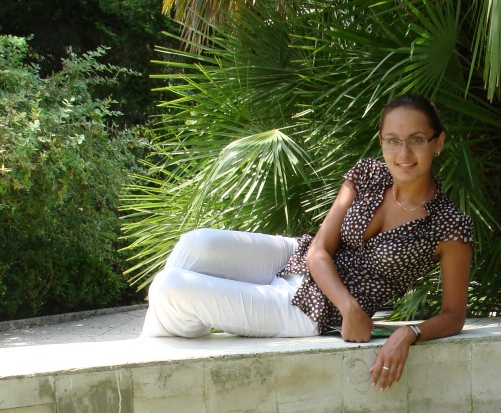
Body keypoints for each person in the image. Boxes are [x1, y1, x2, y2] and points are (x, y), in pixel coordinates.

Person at [141, 93, 473, 390]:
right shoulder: (367, 174)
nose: (403, 153)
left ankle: (154, 368)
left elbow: (454, 314)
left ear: (438, 142)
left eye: (417, 140)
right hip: (297, 257)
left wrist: (409, 333)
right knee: (195, 243)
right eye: (392, 141)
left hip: (312, 310)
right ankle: (167, 343)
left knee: (170, 287)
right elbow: (318, 250)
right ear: (381, 141)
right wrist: (349, 307)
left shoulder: (450, 225)